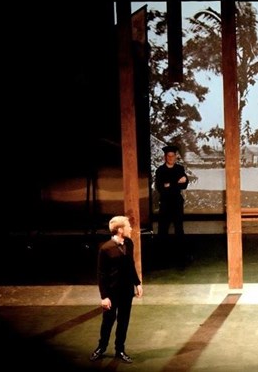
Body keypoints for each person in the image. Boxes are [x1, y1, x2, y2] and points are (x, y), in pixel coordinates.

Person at [90, 216, 143, 363]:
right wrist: (104, 296)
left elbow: (131, 264)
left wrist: (137, 283)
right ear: (120, 230)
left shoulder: (129, 243)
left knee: (123, 321)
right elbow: (101, 274)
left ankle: (120, 349)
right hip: (112, 292)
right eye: (128, 226)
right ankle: (101, 347)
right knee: (108, 321)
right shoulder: (106, 249)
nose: (130, 228)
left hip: (126, 291)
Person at [154, 145, 189, 261]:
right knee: (163, 229)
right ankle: (161, 256)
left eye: (172, 156)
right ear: (165, 157)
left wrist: (170, 184)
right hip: (165, 202)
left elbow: (184, 184)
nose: (171, 158)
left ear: (175, 157)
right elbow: (161, 188)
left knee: (179, 228)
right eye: (168, 156)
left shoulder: (179, 169)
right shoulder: (160, 170)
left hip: (177, 202)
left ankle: (181, 256)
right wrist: (176, 182)